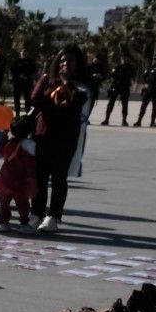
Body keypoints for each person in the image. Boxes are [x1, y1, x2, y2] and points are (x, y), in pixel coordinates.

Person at [28, 45, 90, 232]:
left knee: (58, 177)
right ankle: (36, 213)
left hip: (65, 137)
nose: (65, 64)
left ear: (77, 63)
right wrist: (49, 88)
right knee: (39, 176)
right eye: (62, 60)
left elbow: (74, 104)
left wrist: (66, 84)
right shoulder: (48, 80)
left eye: (70, 60)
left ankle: (53, 216)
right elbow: (36, 99)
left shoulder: (82, 85)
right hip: (43, 134)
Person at [0, 118, 37, 229]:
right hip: (20, 181)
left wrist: (4, 135)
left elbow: (1, 151)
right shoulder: (28, 146)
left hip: (5, 179)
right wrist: (33, 177)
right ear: (29, 131)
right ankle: (24, 223)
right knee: (22, 204)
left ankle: (4, 223)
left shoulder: (9, 143)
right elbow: (30, 164)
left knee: (4, 203)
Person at [133, 62, 156, 127]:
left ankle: (152, 122)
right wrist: (146, 84)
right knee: (144, 106)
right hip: (148, 89)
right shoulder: (150, 69)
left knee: (154, 107)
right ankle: (139, 121)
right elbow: (144, 77)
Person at [102, 59, 134, 126]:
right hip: (116, 86)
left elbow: (130, 75)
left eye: (125, 58)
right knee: (111, 102)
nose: (124, 60)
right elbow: (113, 74)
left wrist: (120, 75)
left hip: (125, 87)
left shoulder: (130, 67)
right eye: (123, 58)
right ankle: (106, 119)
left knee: (125, 104)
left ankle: (124, 120)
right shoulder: (117, 67)